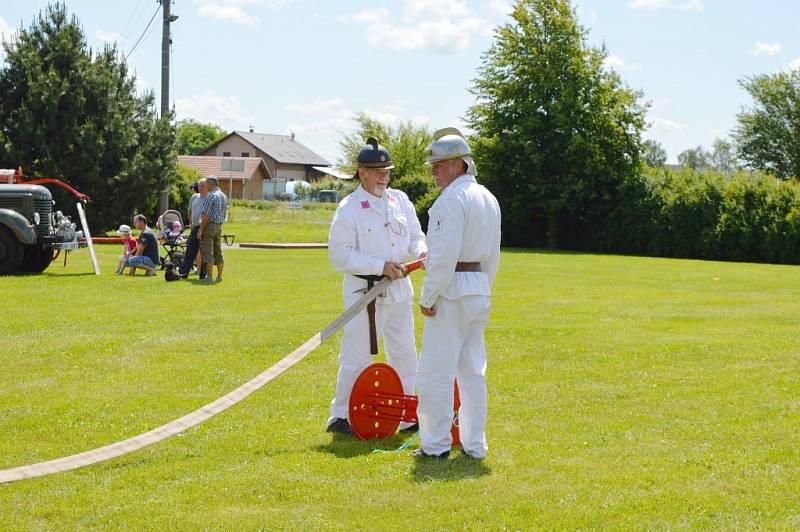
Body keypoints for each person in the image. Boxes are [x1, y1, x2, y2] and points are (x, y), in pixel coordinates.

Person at [326, 137, 427, 435]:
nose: (384, 175)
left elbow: (415, 236)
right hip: (364, 294)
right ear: (362, 173)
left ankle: (410, 414)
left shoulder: (400, 200)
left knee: (406, 353)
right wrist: (380, 266)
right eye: (378, 170)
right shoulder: (349, 208)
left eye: (387, 170)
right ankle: (342, 415)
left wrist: (421, 252)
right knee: (357, 355)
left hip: (398, 292)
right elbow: (339, 255)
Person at [413, 127, 501, 459]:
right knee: (472, 372)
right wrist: (484, 289)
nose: (434, 170)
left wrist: (428, 296)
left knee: (436, 370)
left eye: (440, 164)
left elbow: (444, 257)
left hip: (451, 292)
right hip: (478, 290)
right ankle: (475, 445)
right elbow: (493, 254)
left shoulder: (450, 200)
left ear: (459, 165)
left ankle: (435, 445)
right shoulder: (488, 198)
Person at [197, 175, 228, 284]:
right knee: (218, 251)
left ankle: (209, 277)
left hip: (209, 226)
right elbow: (225, 212)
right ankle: (219, 276)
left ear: (211, 184)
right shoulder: (224, 196)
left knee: (208, 252)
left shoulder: (211, 196)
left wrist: (200, 230)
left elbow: (206, 215)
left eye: (206, 183)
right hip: (219, 226)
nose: (206, 185)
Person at [176, 179, 207, 279]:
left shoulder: (209, 198)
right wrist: (190, 222)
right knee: (190, 249)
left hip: (204, 227)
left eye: (202, 186)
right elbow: (189, 211)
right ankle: (183, 273)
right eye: (199, 186)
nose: (200, 188)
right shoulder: (194, 197)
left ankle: (203, 273)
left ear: (207, 187)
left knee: (203, 251)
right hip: (194, 227)